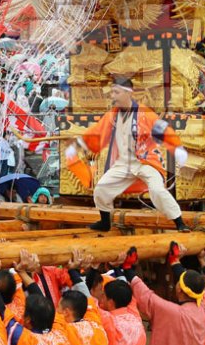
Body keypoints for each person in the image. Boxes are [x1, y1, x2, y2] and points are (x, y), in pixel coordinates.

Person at [68, 76, 188, 232]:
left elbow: (163, 129)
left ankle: (179, 222)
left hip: (146, 161)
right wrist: (78, 145)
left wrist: (177, 148)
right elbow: (96, 132)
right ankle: (105, 222)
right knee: (101, 189)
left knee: (158, 191)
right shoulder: (112, 115)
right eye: (112, 92)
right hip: (124, 163)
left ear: (127, 93)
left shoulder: (144, 113)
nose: (113, 96)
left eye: (116, 92)